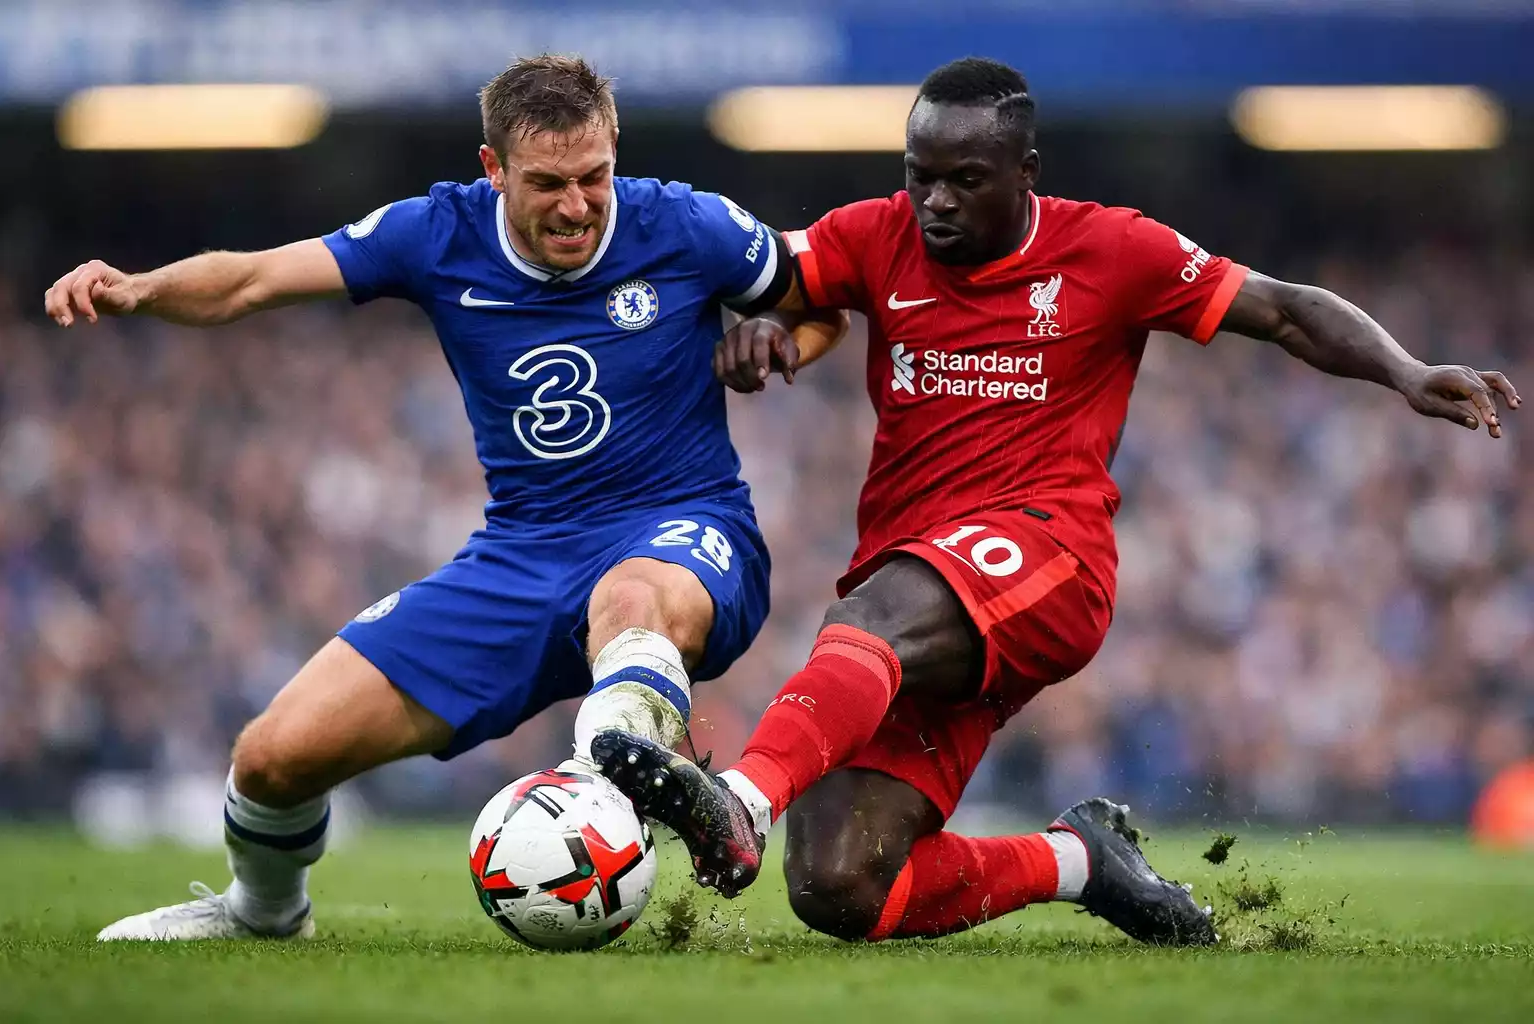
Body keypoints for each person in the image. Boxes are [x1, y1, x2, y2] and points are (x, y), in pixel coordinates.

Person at [592, 56, 1521, 946]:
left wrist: (1405, 370)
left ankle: (741, 803)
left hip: (1047, 556)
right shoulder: (878, 235)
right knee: (840, 885)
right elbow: (790, 286)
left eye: (965, 180)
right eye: (920, 175)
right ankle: (1079, 861)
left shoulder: (1111, 247)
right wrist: (770, 326)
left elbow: (1281, 308)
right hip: (924, 598)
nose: (936, 200)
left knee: (868, 619)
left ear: (1025, 173)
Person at [45, 54, 839, 942]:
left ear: (615, 149)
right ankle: (262, 915)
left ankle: (608, 772)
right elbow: (255, 278)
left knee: (631, 596)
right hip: (521, 558)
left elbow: (824, 301)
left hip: (683, 527)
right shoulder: (436, 233)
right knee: (271, 759)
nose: (577, 206)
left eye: (594, 177)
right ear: (493, 168)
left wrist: (781, 338)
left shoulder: (689, 223)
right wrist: (141, 288)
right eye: (547, 184)